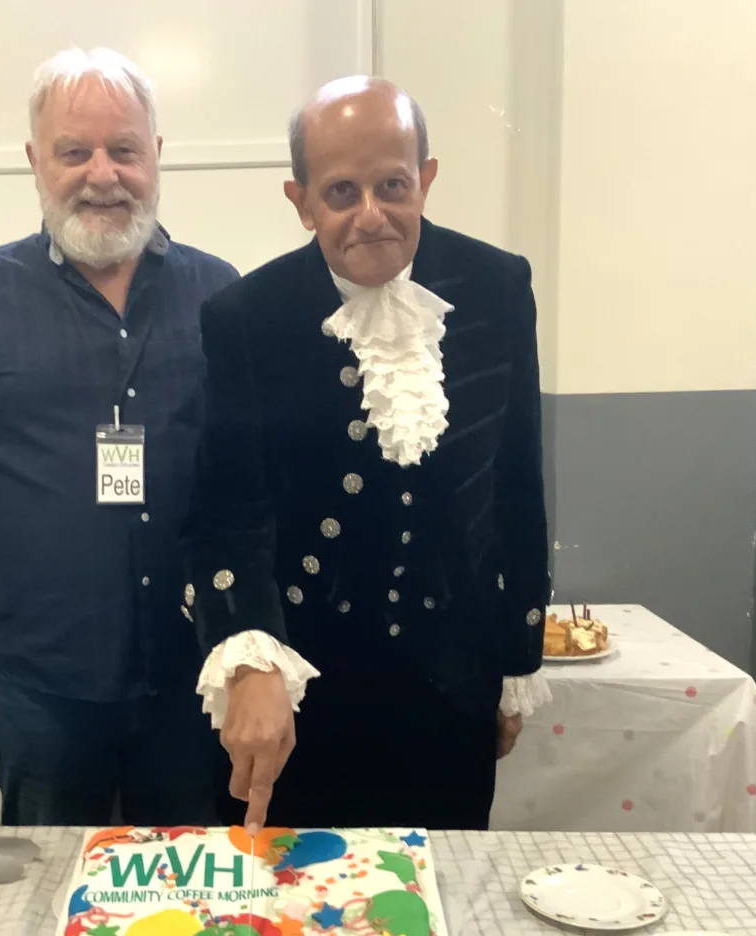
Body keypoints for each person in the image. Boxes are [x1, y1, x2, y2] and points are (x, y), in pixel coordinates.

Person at [185, 77, 551, 831]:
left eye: (393, 185)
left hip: (455, 679)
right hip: (305, 688)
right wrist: (251, 657)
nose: (371, 216)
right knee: (301, 918)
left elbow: (515, 481)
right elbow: (229, 510)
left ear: (426, 177)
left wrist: (516, 658)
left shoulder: (497, 285)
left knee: (436, 912)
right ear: (301, 200)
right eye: (342, 191)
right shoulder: (245, 317)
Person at [0, 48, 237, 826]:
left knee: (190, 900)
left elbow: (242, 473)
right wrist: (24, 526)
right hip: (42, 682)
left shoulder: (221, 296)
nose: (101, 174)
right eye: (73, 151)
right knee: (46, 902)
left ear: (157, 157)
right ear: (35, 162)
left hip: (193, 672)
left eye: (124, 149)